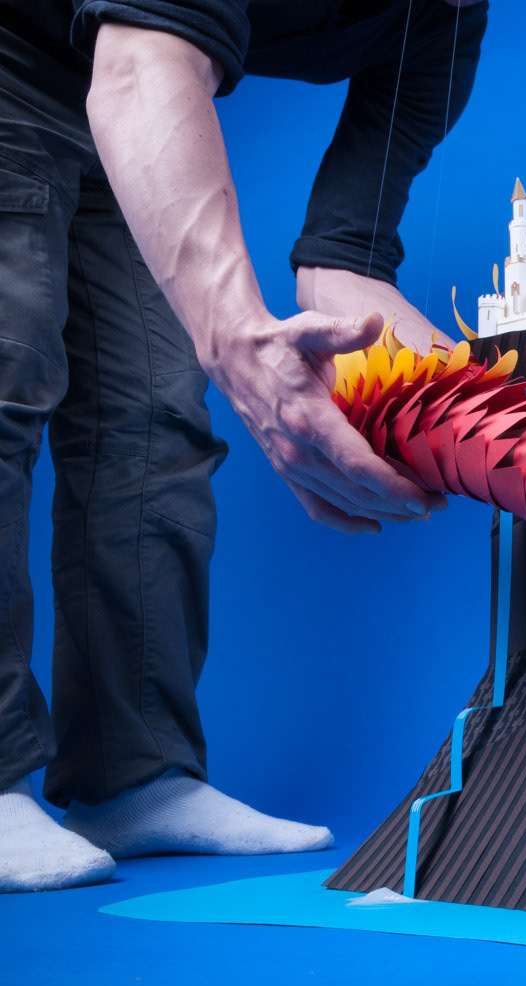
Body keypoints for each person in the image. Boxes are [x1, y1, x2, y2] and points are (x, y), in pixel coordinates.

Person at [0, 0, 487, 893]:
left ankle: (133, 777)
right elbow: (139, 65)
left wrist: (467, 414)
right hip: (24, 55)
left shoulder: (448, 19)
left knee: (154, 416)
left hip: (123, 79)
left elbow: (345, 266)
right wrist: (243, 349)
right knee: (7, 378)